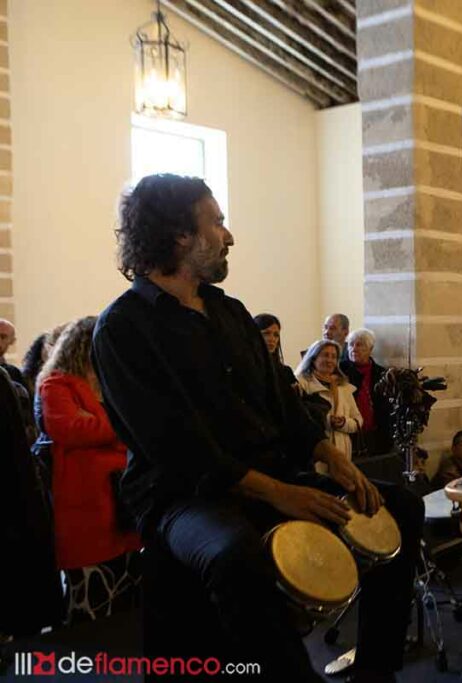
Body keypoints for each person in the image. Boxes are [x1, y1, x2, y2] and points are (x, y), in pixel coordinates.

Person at [92, 174, 422, 682]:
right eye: (217, 222)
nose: (229, 235)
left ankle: (377, 672)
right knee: (234, 553)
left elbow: (283, 407)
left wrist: (330, 456)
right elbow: (176, 448)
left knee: (401, 505)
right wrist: (280, 494)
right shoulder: (122, 327)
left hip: (272, 477)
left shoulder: (229, 311)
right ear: (181, 234)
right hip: (184, 497)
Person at [36, 316, 143, 623]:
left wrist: (104, 428)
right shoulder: (56, 383)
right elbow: (71, 428)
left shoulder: (113, 381)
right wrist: (120, 427)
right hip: (86, 497)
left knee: (126, 583)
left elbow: (133, 425)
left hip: (122, 495)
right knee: (92, 592)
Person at [295, 339, 362, 463]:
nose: (330, 360)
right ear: (313, 358)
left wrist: (343, 423)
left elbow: (357, 420)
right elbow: (297, 419)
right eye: (325, 355)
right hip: (315, 452)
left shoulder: (343, 386)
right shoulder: (301, 384)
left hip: (342, 453)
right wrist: (326, 420)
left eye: (334, 357)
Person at [340, 327, 393, 457]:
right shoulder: (341, 370)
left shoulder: (382, 373)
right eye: (351, 344)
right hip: (349, 431)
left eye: (359, 345)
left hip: (375, 433)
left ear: (370, 349)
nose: (354, 348)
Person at [254, 313, 298, 394]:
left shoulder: (285, 371)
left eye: (276, 335)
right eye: (266, 333)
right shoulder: (247, 369)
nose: (272, 339)